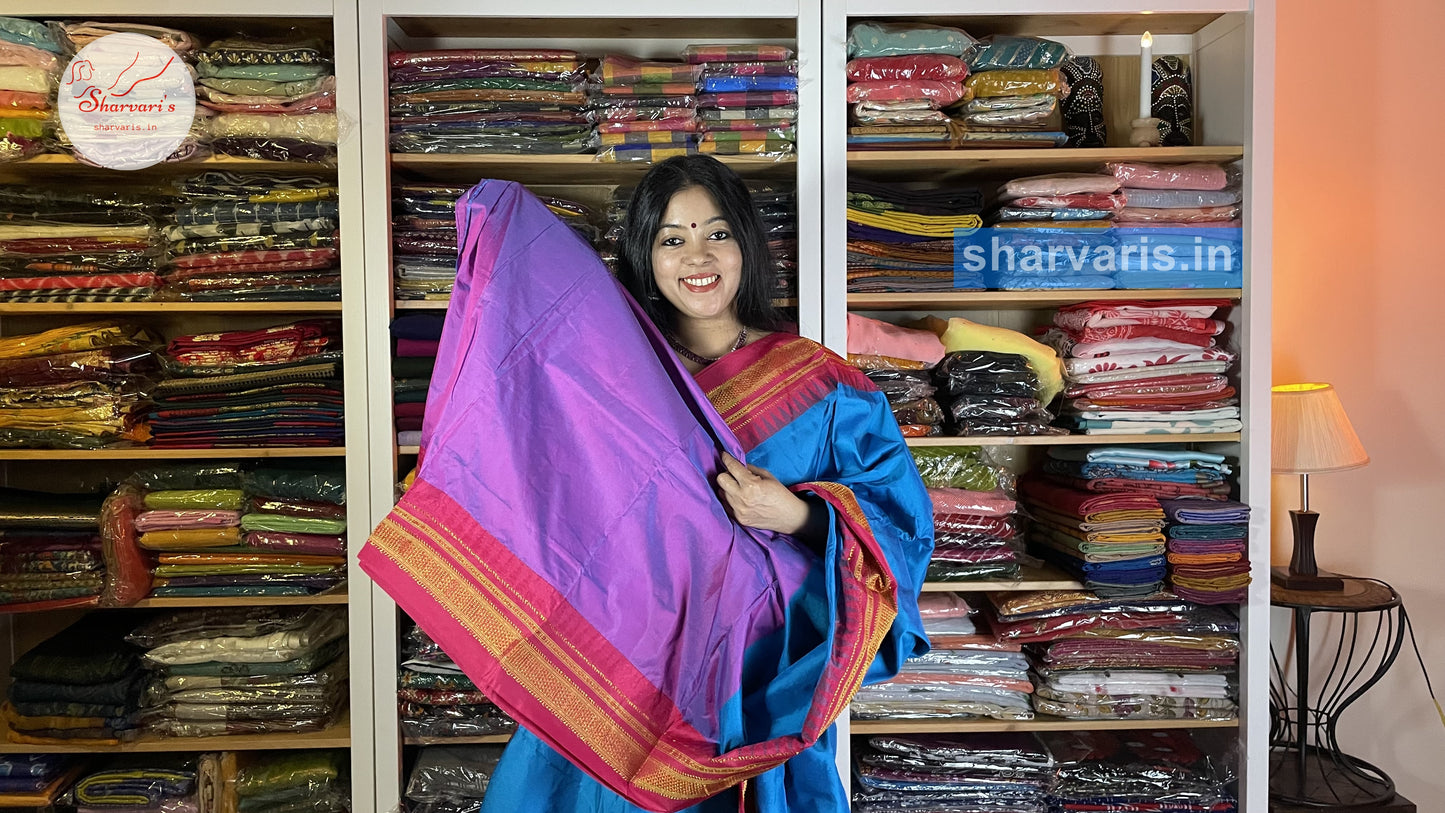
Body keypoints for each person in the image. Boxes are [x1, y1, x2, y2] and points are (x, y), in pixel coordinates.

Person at [472, 156, 935, 812]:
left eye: (716, 233)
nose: (698, 256)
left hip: (760, 676)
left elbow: (901, 522)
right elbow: (543, 493)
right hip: (621, 671)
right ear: (646, 255)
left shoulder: (821, 383)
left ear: (744, 242)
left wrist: (802, 516)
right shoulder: (609, 377)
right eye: (672, 239)